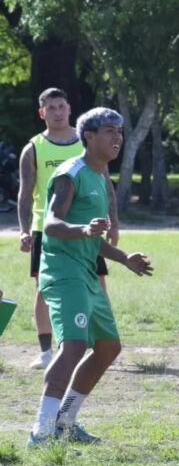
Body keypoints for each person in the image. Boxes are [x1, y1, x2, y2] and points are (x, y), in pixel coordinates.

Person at [28, 108, 152, 447]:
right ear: (89, 137)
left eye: (120, 132)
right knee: (73, 346)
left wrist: (125, 258)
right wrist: (83, 228)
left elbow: (92, 238)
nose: (117, 138)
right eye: (109, 131)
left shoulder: (99, 176)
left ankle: (65, 422)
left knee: (109, 347)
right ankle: (41, 433)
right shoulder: (72, 173)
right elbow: (52, 224)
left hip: (85, 271)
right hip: (63, 272)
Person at [17, 88, 119, 370]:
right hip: (46, 227)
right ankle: (46, 350)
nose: (57, 112)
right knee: (45, 288)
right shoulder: (34, 147)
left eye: (61, 106)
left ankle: (101, 342)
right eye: (51, 108)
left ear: (70, 108)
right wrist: (24, 229)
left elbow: (107, 185)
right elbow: (25, 193)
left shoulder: (87, 141)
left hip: (89, 228)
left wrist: (114, 223)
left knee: (98, 281)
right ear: (42, 112)